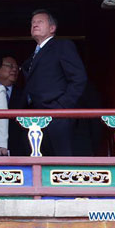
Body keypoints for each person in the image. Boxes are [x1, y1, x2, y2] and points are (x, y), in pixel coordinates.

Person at [21, 9, 87, 156]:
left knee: (61, 161)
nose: (35, 25)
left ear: (52, 28)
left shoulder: (62, 46)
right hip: (35, 117)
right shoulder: (33, 55)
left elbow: (78, 78)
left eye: (40, 22)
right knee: (39, 161)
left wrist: (62, 106)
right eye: (33, 23)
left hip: (57, 114)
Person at [0, 55, 30, 156]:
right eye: (10, 66)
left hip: (18, 144)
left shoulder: (23, 93)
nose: (14, 70)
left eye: (17, 68)